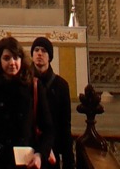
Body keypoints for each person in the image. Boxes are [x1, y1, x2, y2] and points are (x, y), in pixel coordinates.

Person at [0, 36, 54, 169]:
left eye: (16, 58)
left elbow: (48, 129)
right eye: (7, 58)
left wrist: (39, 155)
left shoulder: (33, 85)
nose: (12, 63)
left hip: (26, 162)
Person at [30, 36, 74, 169]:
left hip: (52, 149)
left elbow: (65, 125)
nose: (39, 53)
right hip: (29, 148)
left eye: (44, 51)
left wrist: (68, 161)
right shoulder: (24, 82)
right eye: (36, 50)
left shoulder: (61, 85)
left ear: (49, 57)